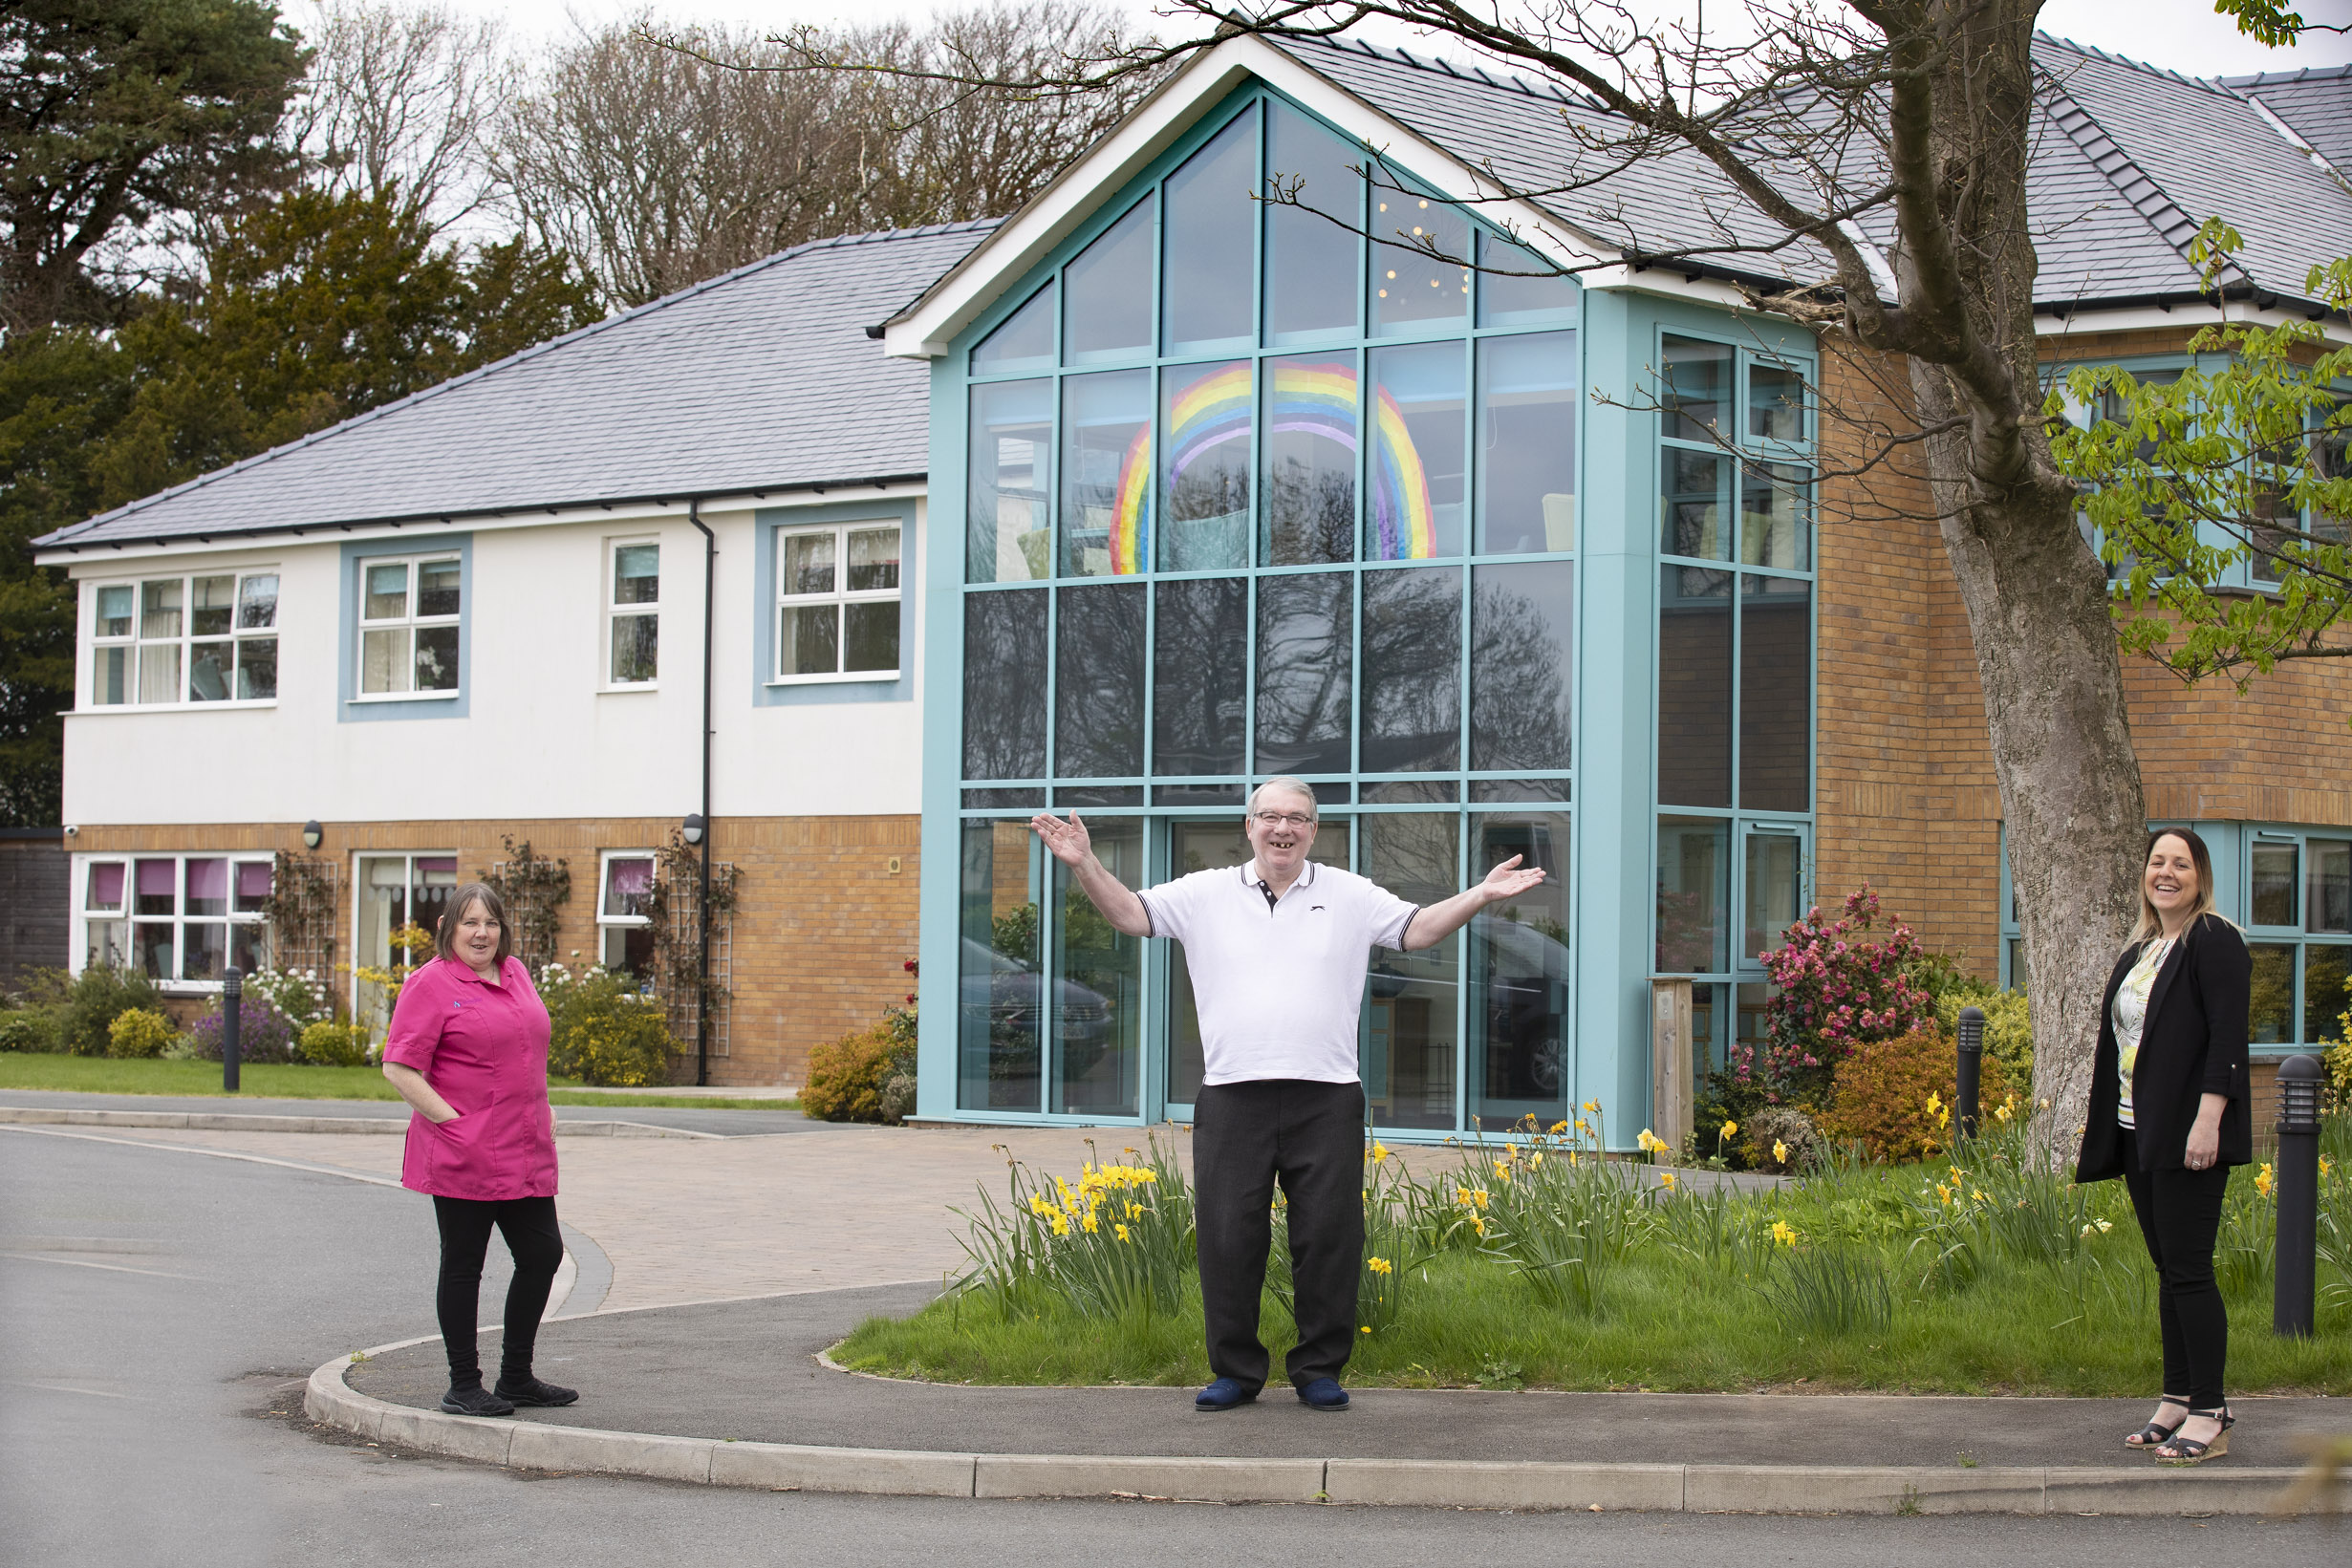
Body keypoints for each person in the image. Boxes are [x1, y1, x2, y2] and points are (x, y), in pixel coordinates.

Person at [1033, 776, 1546, 1412]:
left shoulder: (1349, 893)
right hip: (1232, 1095)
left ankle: (1318, 1369)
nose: (1283, 828)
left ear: (1313, 829)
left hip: (1326, 1097)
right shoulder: (1204, 892)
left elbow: (1417, 930)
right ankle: (1235, 1371)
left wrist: (1481, 893)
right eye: (1270, 816)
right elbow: (1130, 914)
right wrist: (1084, 863)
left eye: (1297, 818)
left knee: (1329, 1236)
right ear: (1249, 826)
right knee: (1227, 1236)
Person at [2074, 827, 2251, 1464]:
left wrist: (2208, 1120)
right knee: (2168, 1269)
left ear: (2200, 877)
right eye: (2157, 862)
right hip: (2137, 1132)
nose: (2166, 873)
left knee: (2189, 1269)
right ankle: (2177, 1397)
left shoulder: (2214, 939)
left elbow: (2227, 1038)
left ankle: (2211, 1411)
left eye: (2180, 864)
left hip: (2187, 1133)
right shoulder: (2142, 949)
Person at [380, 882, 576, 1417]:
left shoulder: (516, 974)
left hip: (523, 1145)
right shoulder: (430, 984)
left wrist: (544, 1104)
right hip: (464, 1151)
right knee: (465, 1265)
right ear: (448, 928)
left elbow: (526, 1049)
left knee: (542, 1255)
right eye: (469, 922)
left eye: (490, 922)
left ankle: (516, 1377)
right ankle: (463, 1384)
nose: (481, 933)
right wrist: (453, 1122)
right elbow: (398, 1067)